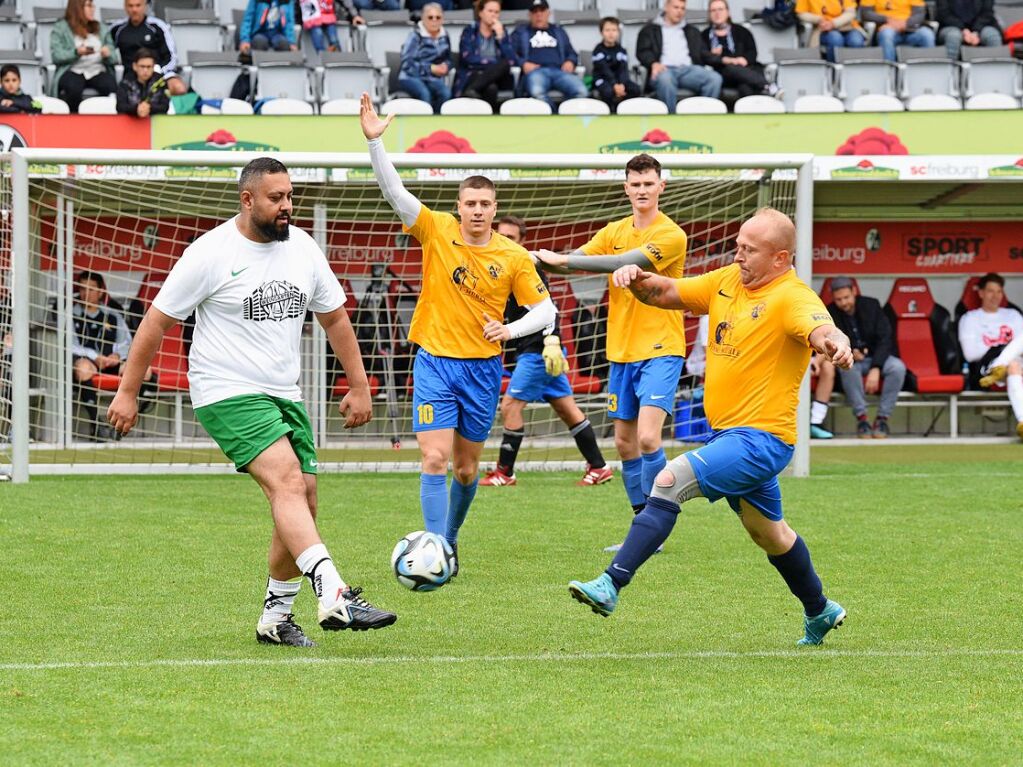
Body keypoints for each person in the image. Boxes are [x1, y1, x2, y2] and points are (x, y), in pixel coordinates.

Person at [107, 157, 397, 646]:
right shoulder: (211, 252)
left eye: (289, 197)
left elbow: (336, 319)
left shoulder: (303, 248)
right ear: (247, 200)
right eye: (275, 198)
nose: (286, 206)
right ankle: (335, 592)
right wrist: (127, 392)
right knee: (286, 479)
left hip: (285, 392)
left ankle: (275, 618)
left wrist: (360, 384)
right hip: (225, 390)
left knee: (302, 498)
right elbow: (156, 321)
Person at [567, 208, 854, 647]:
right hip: (727, 437)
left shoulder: (792, 296)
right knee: (770, 534)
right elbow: (664, 292)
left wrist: (837, 342)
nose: (738, 255)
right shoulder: (726, 281)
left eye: (749, 250)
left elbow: (821, 328)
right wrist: (635, 279)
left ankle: (610, 584)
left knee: (667, 480)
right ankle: (820, 610)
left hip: (762, 441)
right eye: (737, 245)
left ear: (780, 259)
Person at [360, 92, 555, 572]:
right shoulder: (436, 229)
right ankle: (431, 549)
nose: (477, 211)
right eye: (470, 202)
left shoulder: (512, 256)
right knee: (433, 459)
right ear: (459, 205)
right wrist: (374, 145)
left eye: (486, 204)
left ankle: (448, 539)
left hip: (483, 370)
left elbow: (545, 311)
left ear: (495, 208)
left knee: (466, 469)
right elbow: (395, 194)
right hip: (433, 363)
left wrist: (510, 329)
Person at [535, 153, 687, 552]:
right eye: (635, 184)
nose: (642, 190)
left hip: (660, 348)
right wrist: (531, 258)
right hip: (620, 351)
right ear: (626, 188)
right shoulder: (614, 229)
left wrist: (567, 260)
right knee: (624, 443)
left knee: (650, 439)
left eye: (648, 183)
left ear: (661, 187)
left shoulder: (671, 235)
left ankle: (656, 527)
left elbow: (624, 263)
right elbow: (577, 264)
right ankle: (642, 530)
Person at [480, 215, 613, 488]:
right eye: (501, 235)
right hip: (535, 349)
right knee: (567, 409)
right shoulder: (496, 266)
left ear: (522, 242)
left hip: (539, 350)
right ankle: (598, 467)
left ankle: (505, 472)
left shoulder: (528, 267)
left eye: (512, 238)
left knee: (510, 406)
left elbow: (547, 309)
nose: (506, 241)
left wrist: (552, 341)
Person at [819, 276, 906, 438]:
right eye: (839, 299)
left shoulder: (871, 305)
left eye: (846, 297)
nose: (843, 303)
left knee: (898, 367)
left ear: (854, 292)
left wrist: (876, 367)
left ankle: (882, 419)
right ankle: (862, 419)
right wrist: (851, 351)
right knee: (847, 368)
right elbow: (832, 340)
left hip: (877, 358)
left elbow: (885, 338)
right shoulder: (830, 312)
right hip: (853, 361)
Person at [70, 271, 132, 441]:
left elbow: (127, 341)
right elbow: (70, 345)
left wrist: (117, 355)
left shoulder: (112, 315)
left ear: (100, 292)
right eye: (82, 288)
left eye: (91, 289)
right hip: (87, 363)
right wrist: (95, 356)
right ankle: (96, 424)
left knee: (139, 371)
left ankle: (121, 425)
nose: (85, 293)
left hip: (111, 362)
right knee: (82, 368)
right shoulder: (70, 314)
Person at [959, 274, 1023, 428]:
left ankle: (1002, 363)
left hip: (1018, 359)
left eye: (999, 292)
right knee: (1013, 365)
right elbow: (970, 353)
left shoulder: (1013, 315)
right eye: (990, 291)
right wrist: (1001, 350)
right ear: (981, 293)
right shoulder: (970, 318)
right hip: (988, 366)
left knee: (1016, 357)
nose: (995, 296)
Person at [637, 0, 723, 112]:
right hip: (663, 69)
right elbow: (642, 52)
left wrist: (715, 55)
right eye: (676, 7)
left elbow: (702, 53)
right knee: (666, 80)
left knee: (715, 78)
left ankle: (703, 118)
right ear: (666, 7)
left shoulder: (692, 31)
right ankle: (671, 121)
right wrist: (653, 63)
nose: (679, 11)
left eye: (682, 8)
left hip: (688, 71)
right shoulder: (650, 30)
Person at [510, 0, 588, 108]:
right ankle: (555, 119)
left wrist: (570, 61)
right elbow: (510, 54)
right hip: (536, 72)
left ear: (548, 13)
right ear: (529, 15)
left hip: (559, 71)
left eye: (542, 11)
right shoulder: (521, 32)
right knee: (537, 93)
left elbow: (572, 52)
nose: (538, 14)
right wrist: (523, 63)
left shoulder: (558, 31)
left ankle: (564, 115)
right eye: (535, 11)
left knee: (582, 91)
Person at [50, 0, 120, 113]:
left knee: (110, 85)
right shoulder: (61, 28)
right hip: (73, 70)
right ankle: (73, 121)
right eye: (89, 6)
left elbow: (114, 57)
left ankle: (105, 121)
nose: (93, 9)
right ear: (78, 8)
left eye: (93, 5)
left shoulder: (101, 28)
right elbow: (57, 56)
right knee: (73, 88)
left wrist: (107, 54)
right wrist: (76, 52)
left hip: (97, 70)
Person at [109, 0, 188, 97]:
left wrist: (157, 70)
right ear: (125, 7)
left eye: (138, 5)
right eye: (131, 6)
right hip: (130, 75)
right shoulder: (116, 29)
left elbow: (172, 57)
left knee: (179, 87)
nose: (134, 9)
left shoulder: (158, 26)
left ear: (145, 6)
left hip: (158, 72)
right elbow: (109, 51)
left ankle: (165, 106)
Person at [702, 0, 778, 99]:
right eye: (713, 10)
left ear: (728, 12)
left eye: (720, 9)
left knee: (746, 87)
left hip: (746, 70)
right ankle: (768, 86)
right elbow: (703, 56)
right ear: (709, 14)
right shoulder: (704, 35)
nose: (717, 13)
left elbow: (752, 52)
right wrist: (715, 55)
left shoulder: (741, 31)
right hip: (723, 74)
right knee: (730, 67)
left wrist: (744, 60)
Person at [455, 0, 516, 111]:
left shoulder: (502, 32)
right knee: (491, 88)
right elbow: (467, 58)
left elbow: (511, 60)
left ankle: (471, 90)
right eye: (490, 11)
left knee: (505, 64)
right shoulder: (470, 31)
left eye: (496, 12)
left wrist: (500, 37)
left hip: (498, 77)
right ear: (480, 13)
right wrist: (493, 64)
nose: (493, 14)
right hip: (473, 74)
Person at [399, 3, 453, 113]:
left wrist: (446, 66)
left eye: (438, 17)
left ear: (442, 19)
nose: (434, 20)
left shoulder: (445, 35)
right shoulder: (415, 35)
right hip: (411, 75)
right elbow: (407, 63)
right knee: (425, 94)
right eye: (430, 17)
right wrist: (431, 68)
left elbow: (448, 58)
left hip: (433, 77)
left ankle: (437, 121)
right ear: (423, 18)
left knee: (445, 93)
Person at [592, 16, 642, 112]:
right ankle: (609, 114)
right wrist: (615, 85)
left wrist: (622, 84)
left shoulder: (622, 50)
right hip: (603, 79)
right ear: (601, 32)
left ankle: (624, 111)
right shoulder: (598, 50)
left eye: (614, 30)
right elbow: (604, 70)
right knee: (607, 92)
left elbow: (623, 69)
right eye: (607, 30)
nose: (611, 33)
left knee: (635, 89)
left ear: (618, 32)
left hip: (620, 81)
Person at [860, 0, 935, 62]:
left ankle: (929, 72)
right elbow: (866, 14)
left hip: (910, 28)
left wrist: (905, 24)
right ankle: (889, 72)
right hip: (886, 26)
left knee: (927, 34)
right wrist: (887, 20)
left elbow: (920, 14)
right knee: (887, 34)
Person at [796, 0, 867, 62]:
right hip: (822, 29)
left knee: (856, 41)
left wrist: (833, 23)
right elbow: (801, 13)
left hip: (848, 27)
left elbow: (851, 13)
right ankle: (833, 71)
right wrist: (818, 19)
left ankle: (853, 72)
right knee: (836, 39)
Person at [936, 0, 1002, 59]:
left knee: (992, 36)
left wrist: (976, 32)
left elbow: (987, 13)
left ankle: (996, 70)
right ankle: (949, 70)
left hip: (981, 26)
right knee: (953, 36)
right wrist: (964, 30)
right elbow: (944, 14)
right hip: (951, 26)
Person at [116, 48, 171, 117]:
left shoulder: (161, 82)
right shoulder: (125, 82)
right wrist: (136, 109)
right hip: (130, 123)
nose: (145, 70)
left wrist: (149, 108)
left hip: (156, 124)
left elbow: (165, 106)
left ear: (153, 66)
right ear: (135, 66)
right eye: (142, 66)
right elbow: (120, 107)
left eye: (149, 67)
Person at [299, 0, 364, 53]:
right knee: (319, 43)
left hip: (329, 18)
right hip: (312, 21)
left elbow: (346, 2)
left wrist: (354, 15)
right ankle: (323, 61)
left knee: (334, 42)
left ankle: (336, 62)